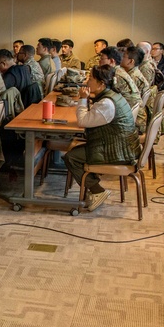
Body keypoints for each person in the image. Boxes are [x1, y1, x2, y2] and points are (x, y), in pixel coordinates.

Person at [62, 65, 139, 212]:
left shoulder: (107, 103)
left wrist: (83, 99)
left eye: (91, 78)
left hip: (117, 151)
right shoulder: (111, 95)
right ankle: (93, 188)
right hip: (118, 145)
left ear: (101, 83)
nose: (87, 81)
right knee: (76, 150)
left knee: (71, 157)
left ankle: (97, 190)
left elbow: (83, 121)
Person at [98, 47, 141, 113]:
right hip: (127, 110)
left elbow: (107, 98)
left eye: (102, 59)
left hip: (129, 114)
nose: (99, 61)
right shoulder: (118, 71)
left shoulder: (116, 75)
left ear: (112, 61)